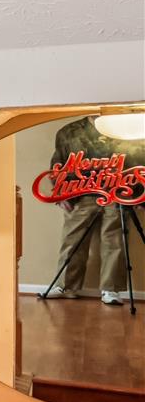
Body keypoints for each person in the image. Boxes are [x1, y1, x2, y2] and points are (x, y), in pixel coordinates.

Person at [51, 115, 140, 304]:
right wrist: (60, 193)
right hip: (79, 193)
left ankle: (111, 290)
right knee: (72, 240)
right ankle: (66, 285)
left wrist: (139, 193)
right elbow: (59, 164)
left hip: (119, 192)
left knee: (115, 240)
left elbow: (139, 159)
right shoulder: (69, 131)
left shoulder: (126, 128)